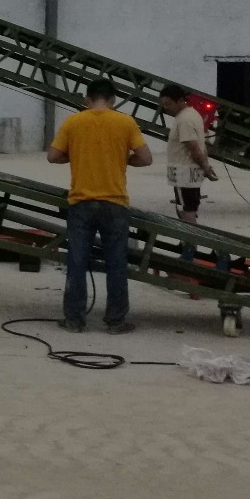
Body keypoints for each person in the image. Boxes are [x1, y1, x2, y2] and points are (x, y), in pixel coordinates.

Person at [47, 78, 154, 333]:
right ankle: (116, 321)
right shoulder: (125, 122)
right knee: (116, 263)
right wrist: (123, 159)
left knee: (77, 262)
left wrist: (77, 155)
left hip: (81, 203)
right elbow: (146, 158)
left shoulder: (74, 121)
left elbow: (53, 156)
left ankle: (74, 320)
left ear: (87, 99)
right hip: (115, 203)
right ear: (113, 100)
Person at [158, 83, 217, 236]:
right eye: (164, 104)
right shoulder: (193, 115)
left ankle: (190, 243)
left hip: (183, 174)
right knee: (190, 207)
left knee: (185, 211)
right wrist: (205, 166)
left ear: (180, 101)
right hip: (190, 174)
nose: (166, 108)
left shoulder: (184, 120)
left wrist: (205, 167)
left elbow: (193, 147)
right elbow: (201, 146)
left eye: (168, 104)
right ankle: (190, 242)